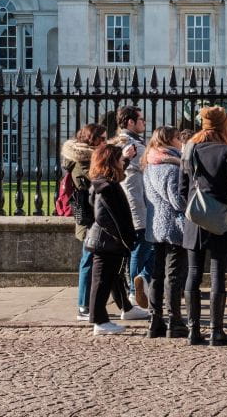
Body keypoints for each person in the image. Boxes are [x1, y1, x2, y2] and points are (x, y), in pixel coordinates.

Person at [179, 106, 227, 346]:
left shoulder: (189, 149)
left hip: (194, 218)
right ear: (223, 124)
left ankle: (193, 331)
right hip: (219, 217)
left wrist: (190, 210)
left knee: (193, 273)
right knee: (218, 275)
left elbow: (181, 189)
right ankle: (216, 331)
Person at [63, 124, 137, 322]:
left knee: (109, 266)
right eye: (102, 139)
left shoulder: (91, 156)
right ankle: (84, 306)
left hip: (97, 216)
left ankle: (125, 306)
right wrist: (123, 159)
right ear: (91, 140)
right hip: (91, 219)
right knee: (90, 262)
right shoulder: (81, 161)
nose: (105, 142)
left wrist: (122, 158)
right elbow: (100, 179)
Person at [142, 125, 189, 339]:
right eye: (178, 138)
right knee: (173, 276)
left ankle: (155, 319)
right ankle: (175, 320)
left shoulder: (150, 163)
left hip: (156, 225)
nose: (181, 141)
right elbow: (177, 201)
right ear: (170, 141)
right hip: (173, 226)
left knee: (157, 275)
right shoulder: (171, 167)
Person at [87, 143, 138, 335]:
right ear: (111, 161)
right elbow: (106, 217)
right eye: (118, 159)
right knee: (101, 282)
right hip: (106, 241)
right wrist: (123, 237)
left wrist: (126, 159)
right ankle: (99, 320)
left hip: (108, 241)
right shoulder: (106, 187)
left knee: (112, 279)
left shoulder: (105, 182)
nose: (120, 163)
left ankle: (123, 309)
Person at [113, 105, 153, 317]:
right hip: (137, 204)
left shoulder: (127, 142)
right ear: (130, 122)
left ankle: (140, 283)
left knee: (143, 247)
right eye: (141, 120)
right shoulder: (131, 144)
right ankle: (133, 290)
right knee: (143, 246)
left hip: (135, 202)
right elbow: (150, 165)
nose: (144, 123)